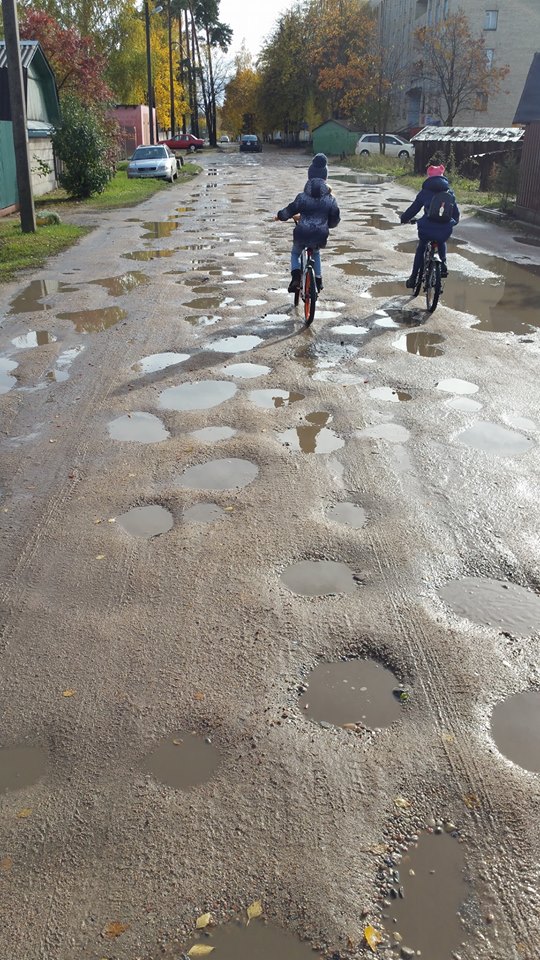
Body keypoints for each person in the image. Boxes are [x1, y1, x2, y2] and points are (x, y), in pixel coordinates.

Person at [275, 153, 340, 293]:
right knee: (315, 253)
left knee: (295, 253)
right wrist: (327, 225)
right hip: (320, 235)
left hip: (302, 233)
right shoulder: (331, 199)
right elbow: (335, 219)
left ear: (309, 177)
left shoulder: (302, 197)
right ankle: (318, 279)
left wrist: (280, 216)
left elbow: (289, 210)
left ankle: (296, 277)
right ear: (325, 177)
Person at [400, 163, 460, 288]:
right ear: (443, 177)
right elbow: (456, 213)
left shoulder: (425, 192)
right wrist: (454, 221)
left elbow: (414, 209)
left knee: (421, 247)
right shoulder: (449, 192)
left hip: (427, 228)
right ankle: (443, 263)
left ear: (429, 177)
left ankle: (413, 278)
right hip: (444, 228)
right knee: (441, 240)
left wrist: (404, 218)